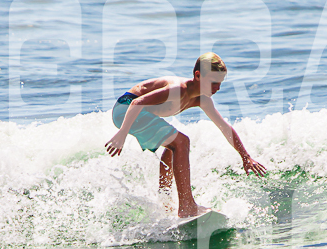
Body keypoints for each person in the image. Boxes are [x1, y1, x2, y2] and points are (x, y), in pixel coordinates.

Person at [105, 52, 267, 217]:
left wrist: (245, 156)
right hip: (126, 109)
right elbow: (137, 102)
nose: (217, 88)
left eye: (220, 83)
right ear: (198, 75)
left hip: (132, 113)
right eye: (213, 82)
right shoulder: (178, 89)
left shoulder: (202, 99)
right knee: (182, 142)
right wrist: (122, 133)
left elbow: (224, 127)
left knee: (173, 147)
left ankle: (165, 202)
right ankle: (187, 206)